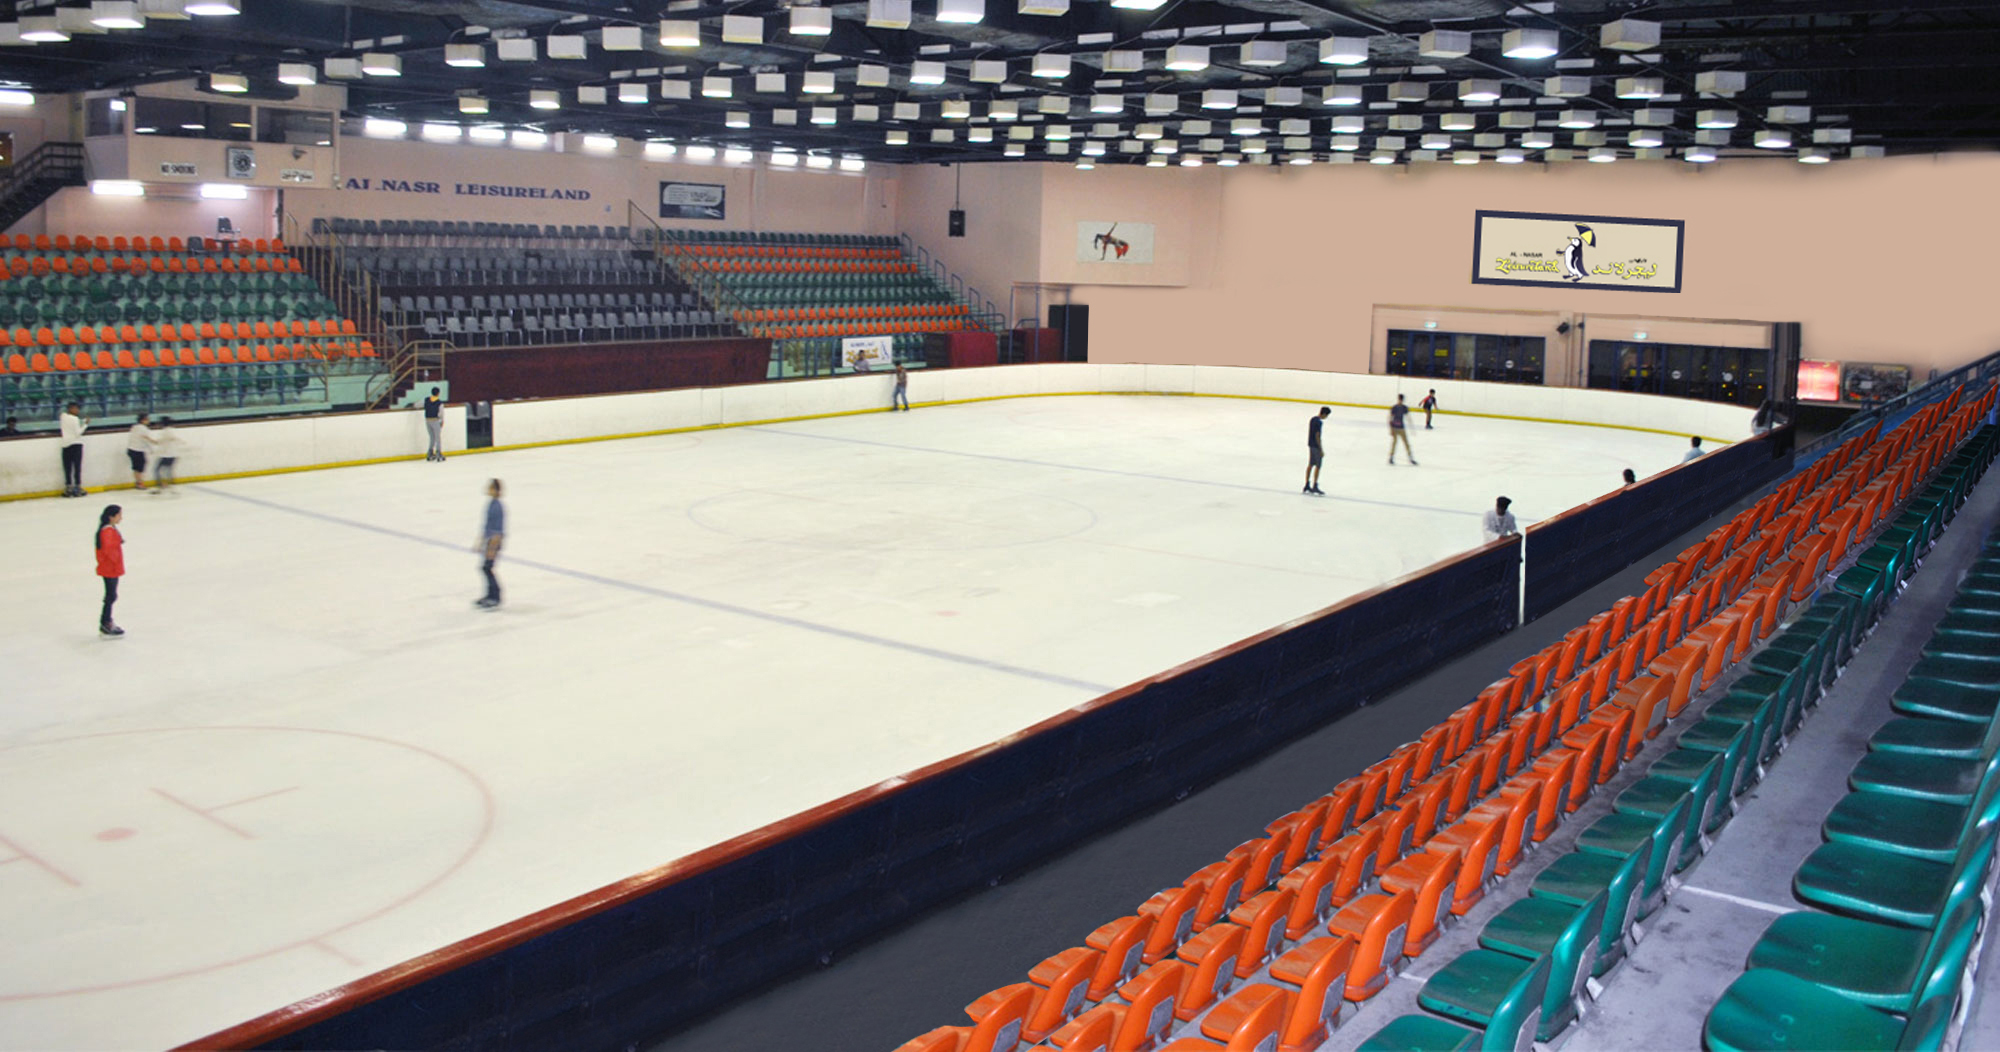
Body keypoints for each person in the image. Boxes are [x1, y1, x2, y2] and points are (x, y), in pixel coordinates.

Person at [475, 478, 505, 609]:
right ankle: (490, 595)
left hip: (494, 542)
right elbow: (486, 525)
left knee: (487, 568)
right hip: (489, 541)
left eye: (490, 487)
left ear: (495, 490)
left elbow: (497, 530)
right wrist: (480, 542)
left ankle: (495, 597)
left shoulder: (497, 506)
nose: (488, 489)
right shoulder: (491, 503)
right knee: (486, 568)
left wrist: (492, 548)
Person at [95, 504, 125, 637]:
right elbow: (108, 550)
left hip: (111, 567)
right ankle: (106, 622)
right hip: (110, 568)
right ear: (111, 517)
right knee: (111, 595)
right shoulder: (107, 531)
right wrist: (115, 562)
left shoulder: (109, 529)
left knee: (111, 595)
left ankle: (106, 621)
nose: (121, 518)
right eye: (119, 515)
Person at [59, 402, 87, 498]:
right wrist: (85, 424)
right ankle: (77, 487)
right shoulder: (74, 419)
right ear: (71, 409)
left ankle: (69, 486)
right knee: (76, 467)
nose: (77, 411)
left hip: (66, 444)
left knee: (67, 467)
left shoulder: (63, 416)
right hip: (76, 444)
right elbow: (78, 433)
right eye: (75, 409)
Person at [149, 417, 182, 493]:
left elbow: (158, 442)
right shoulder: (173, 430)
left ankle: (160, 487)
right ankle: (172, 487)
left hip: (166, 455)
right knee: (168, 471)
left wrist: (148, 439)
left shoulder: (164, 432)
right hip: (174, 454)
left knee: (157, 470)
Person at [1304, 406, 1330, 494]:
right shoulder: (1319, 422)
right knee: (1318, 466)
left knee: (1310, 464)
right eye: (1326, 416)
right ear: (1324, 414)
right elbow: (1317, 435)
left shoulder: (1313, 419)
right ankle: (1315, 485)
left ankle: (1307, 484)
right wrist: (1321, 449)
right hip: (1316, 446)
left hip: (1310, 445)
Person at [1388, 395, 1417, 466]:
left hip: (1401, 428)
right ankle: (1391, 457)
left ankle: (1410, 458)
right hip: (1395, 428)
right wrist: (1391, 429)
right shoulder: (1394, 407)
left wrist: (1411, 425)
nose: (1400, 401)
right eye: (1400, 400)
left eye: (1401, 400)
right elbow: (1390, 418)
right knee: (1394, 443)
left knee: (1406, 443)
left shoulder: (1404, 408)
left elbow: (1408, 417)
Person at [126, 413, 152, 491]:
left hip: (131, 449)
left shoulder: (134, 427)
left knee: (136, 467)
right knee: (140, 467)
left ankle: (138, 482)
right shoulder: (143, 428)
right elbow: (145, 438)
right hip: (138, 450)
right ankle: (140, 483)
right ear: (143, 420)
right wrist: (155, 443)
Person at [423, 387, 445, 462]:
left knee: (432, 437)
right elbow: (441, 413)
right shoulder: (439, 403)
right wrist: (442, 421)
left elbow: (418, 404)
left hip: (427, 420)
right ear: (438, 393)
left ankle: (430, 453)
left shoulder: (426, 400)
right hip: (435, 420)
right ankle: (438, 453)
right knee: (437, 437)